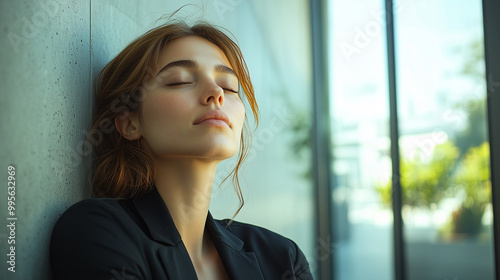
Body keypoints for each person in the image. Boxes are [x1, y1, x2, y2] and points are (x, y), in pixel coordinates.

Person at [49, 20, 313, 280]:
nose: (216, 92)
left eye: (230, 87)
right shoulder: (98, 231)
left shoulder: (282, 258)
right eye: (180, 81)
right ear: (129, 122)